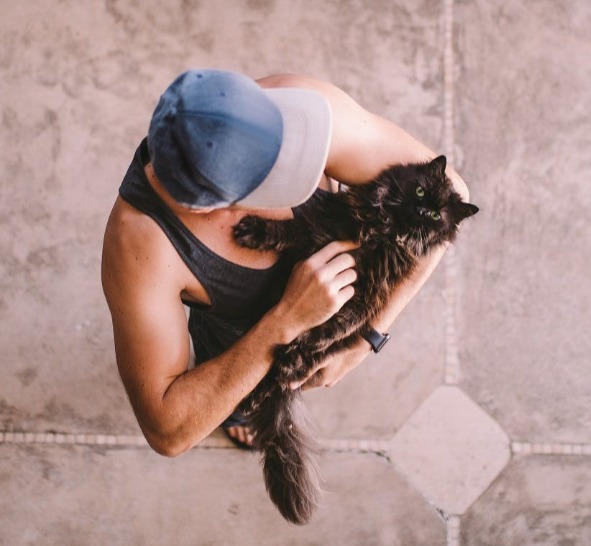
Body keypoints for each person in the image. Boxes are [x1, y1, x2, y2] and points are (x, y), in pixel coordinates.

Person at [101, 69, 469, 455]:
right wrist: (286, 320)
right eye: (275, 176)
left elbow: (453, 192)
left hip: (347, 310)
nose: (301, 159)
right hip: (238, 335)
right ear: (209, 206)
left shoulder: (302, 108)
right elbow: (167, 430)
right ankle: (239, 415)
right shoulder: (140, 245)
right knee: (239, 399)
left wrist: (366, 338)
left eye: (292, 151)